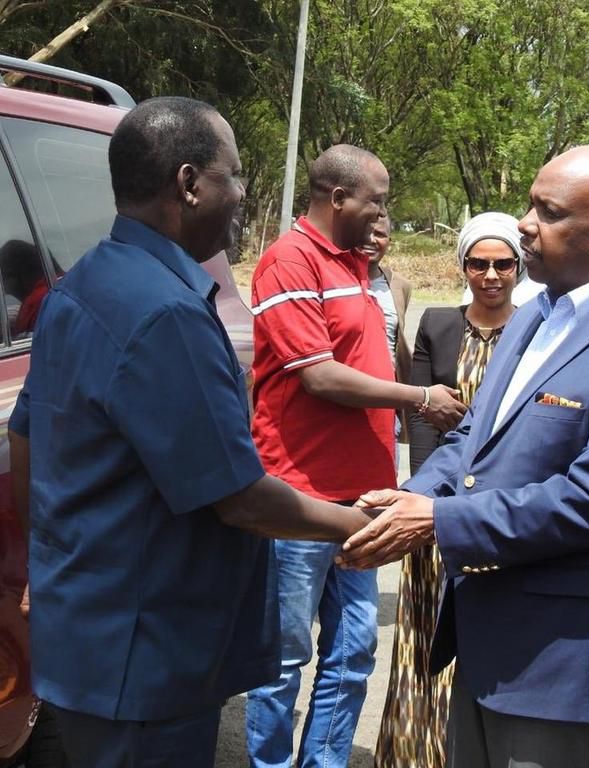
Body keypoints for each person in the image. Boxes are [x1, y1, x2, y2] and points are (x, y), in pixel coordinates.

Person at [6, 97, 377, 768]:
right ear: (188, 183)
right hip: (146, 656)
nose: (241, 193)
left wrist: (42, 560)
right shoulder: (164, 315)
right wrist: (365, 527)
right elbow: (238, 497)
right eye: (234, 175)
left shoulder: (82, 284)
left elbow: (26, 434)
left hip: (90, 634)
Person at [338, 145, 589, 768]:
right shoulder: (537, 314)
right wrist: (420, 493)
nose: (524, 225)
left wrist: (439, 522)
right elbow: (473, 437)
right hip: (486, 638)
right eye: (530, 204)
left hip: (563, 663)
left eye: (549, 212)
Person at [246, 144, 466, 768]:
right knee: (283, 657)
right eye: (376, 199)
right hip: (299, 497)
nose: (382, 213)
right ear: (337, 197)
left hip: (365, 496)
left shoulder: (358, 269)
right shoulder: (289, 261)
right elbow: (319, 377)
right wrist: (420, 397)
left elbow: (370, 360)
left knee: (350, 656)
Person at [375, 211, 522, 768]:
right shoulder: (438, 323)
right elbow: (417, 416)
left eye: (503, 263)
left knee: (480, 636)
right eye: (478, 263)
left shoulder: (533, 329)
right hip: (432, 503)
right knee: (423, 632)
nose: (490, 275)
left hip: (493, 512)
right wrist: (423, 498)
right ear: (463, 265)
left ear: (517, 267)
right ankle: (417, 754)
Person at [364, 215, 413, 444]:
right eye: (367, 232)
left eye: (380, 235)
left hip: (387, 406)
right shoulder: (336, 280)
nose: (372, 240)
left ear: (389, 240)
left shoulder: (399, 285)